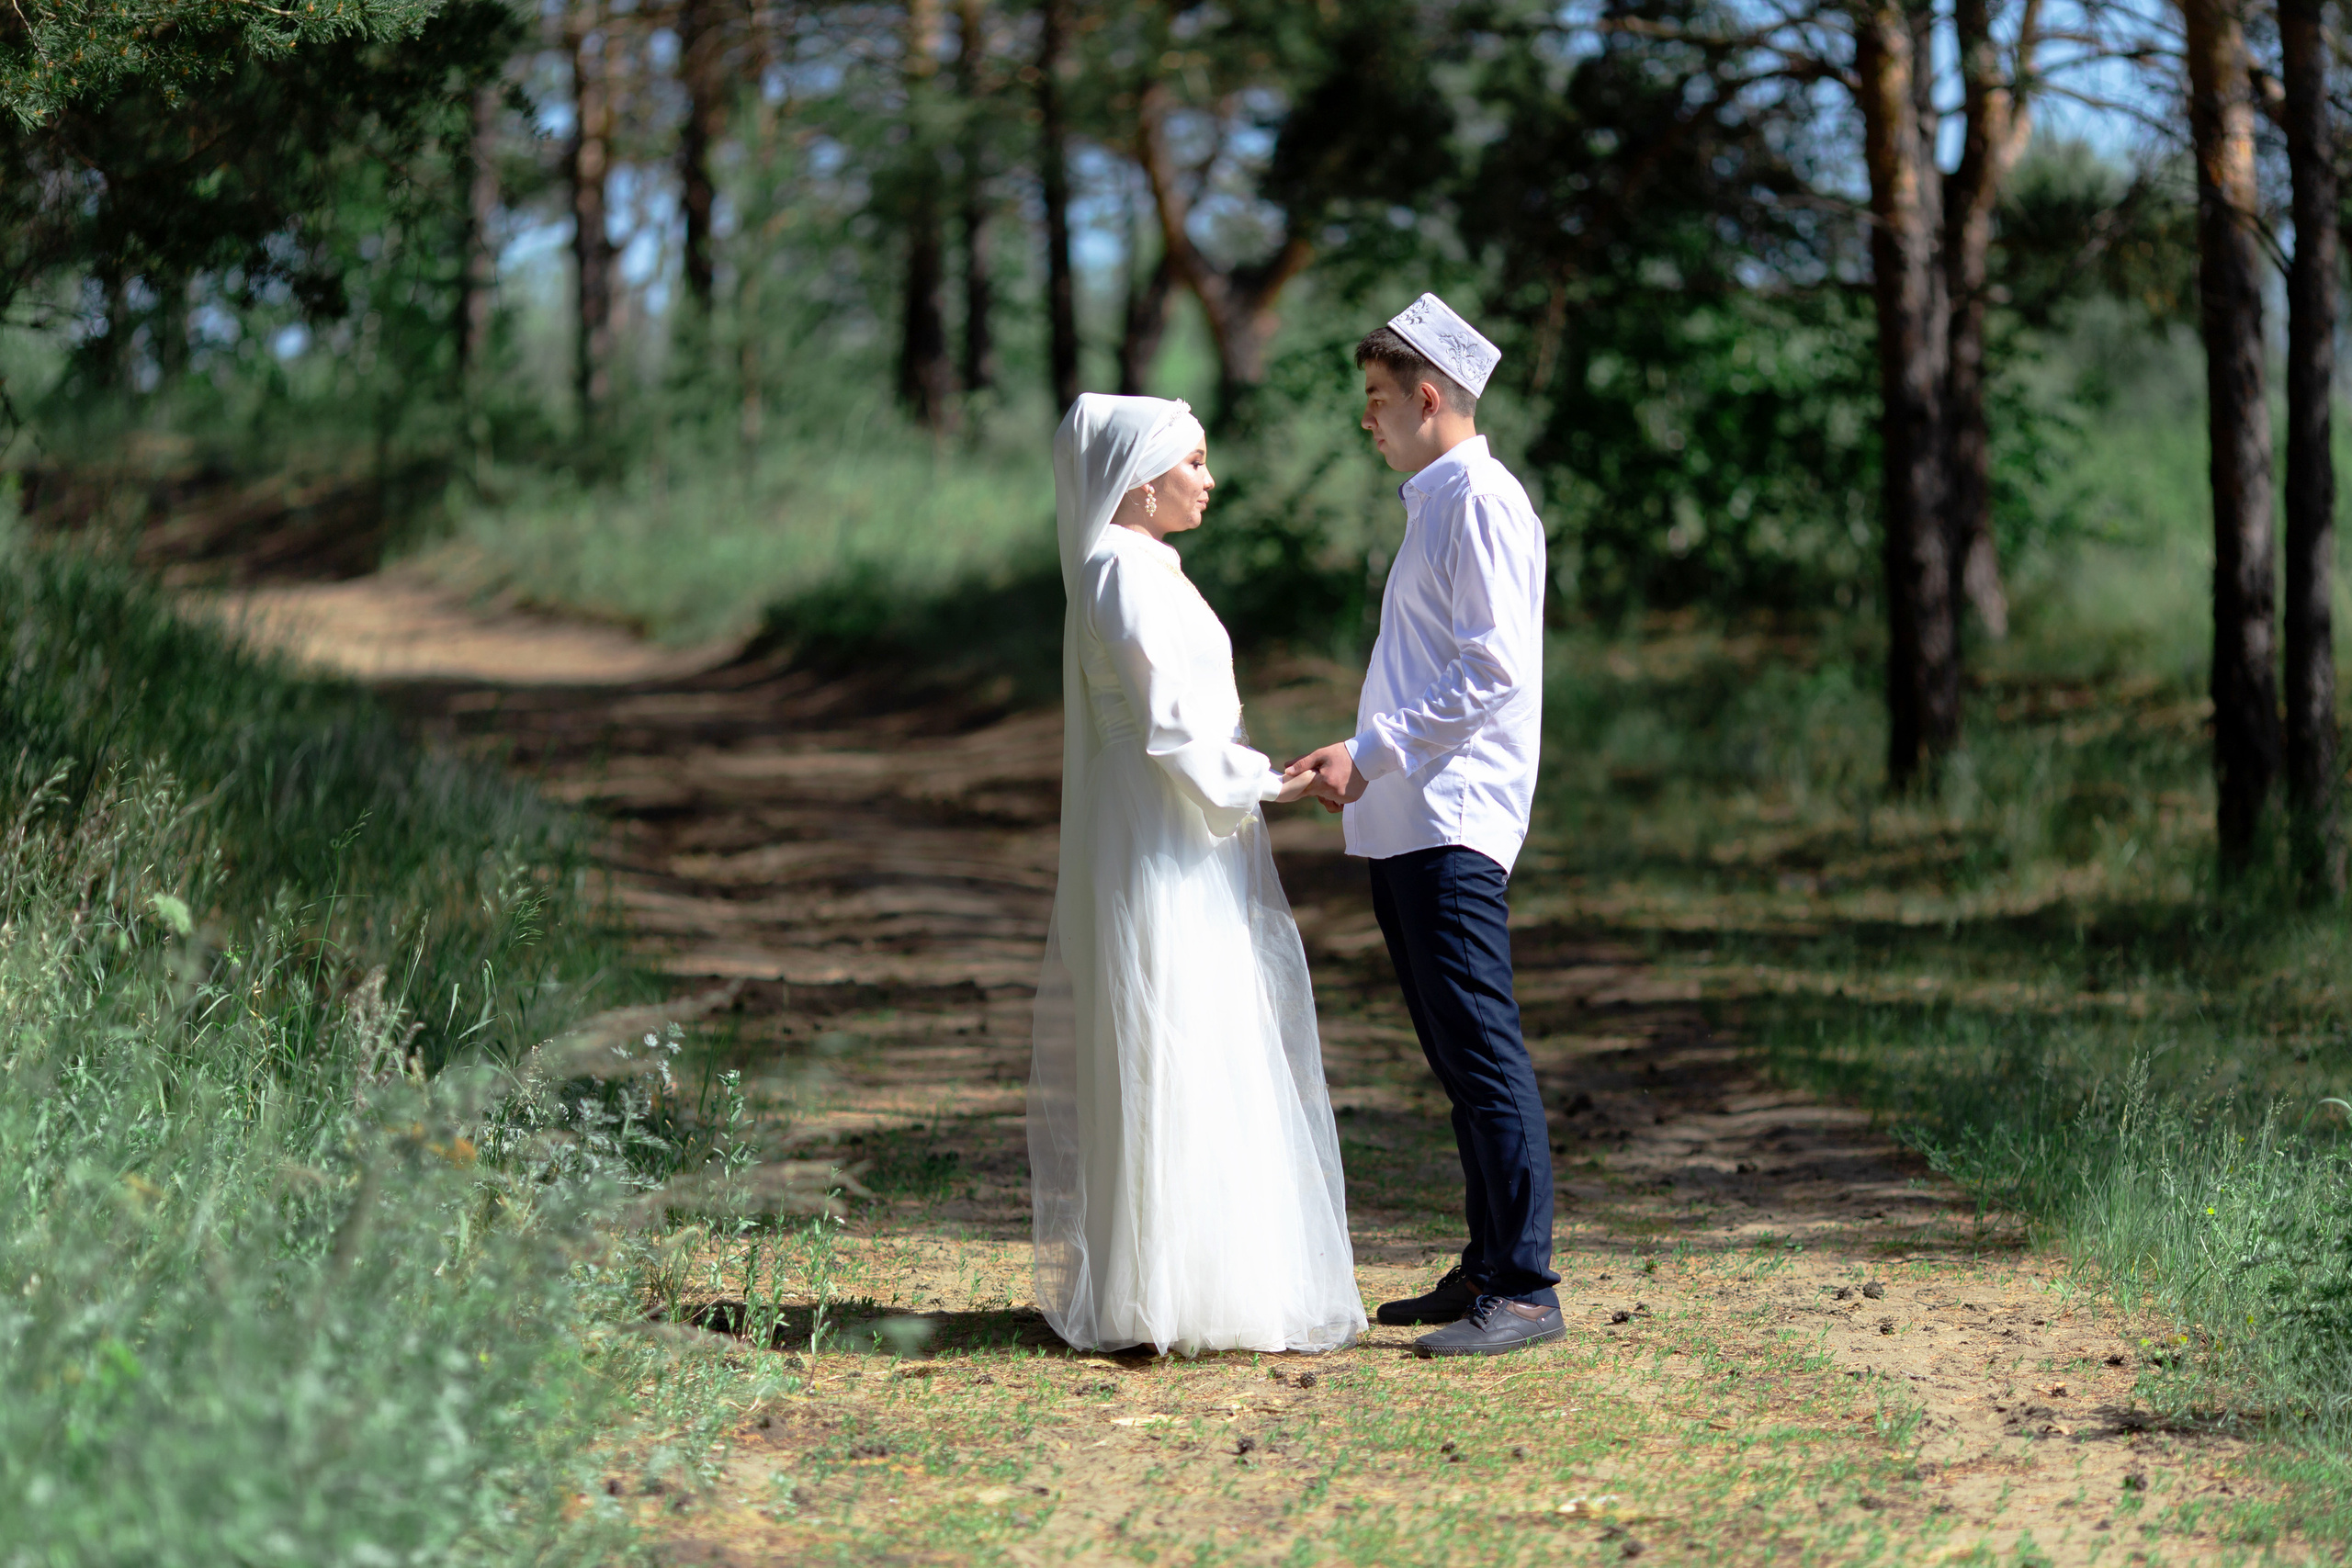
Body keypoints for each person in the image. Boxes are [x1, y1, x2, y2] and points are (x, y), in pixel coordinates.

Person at [1028, 392, 1367, 1358]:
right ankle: (1163, 1287)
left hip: (1174, 821)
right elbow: (1170, 726)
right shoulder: (1120, 574)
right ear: (1141, 482)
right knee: (1170, 1026)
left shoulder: (1143, 568)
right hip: (1159, 828)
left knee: (1196, 1028)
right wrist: (1269, 783)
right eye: (1195, 463)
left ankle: (1196, 1277)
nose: (1209, 481)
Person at [1285, 294, 1561, 1359]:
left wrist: (1373, 751)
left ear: (1429, 397)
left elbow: (1492, 672)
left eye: (1376, 399)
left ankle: (1527, 1286)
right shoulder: (1437, 500)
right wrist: (1365, 763)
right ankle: (1490, 1262)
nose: (1368, 420)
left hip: (1451, 817)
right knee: (1456, 1058)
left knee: (1484, 1053)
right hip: (1407, 817)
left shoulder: (1481, 500)